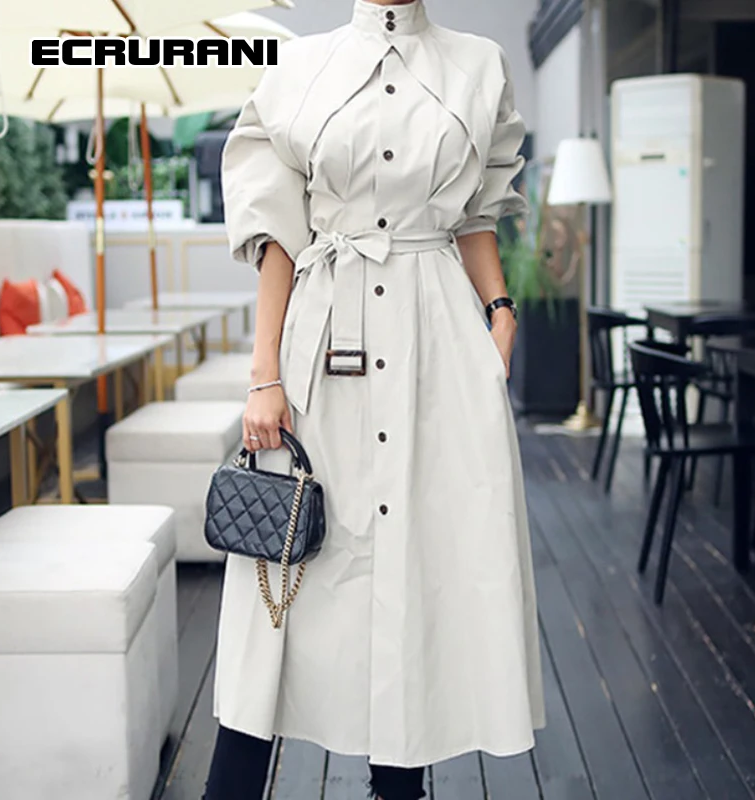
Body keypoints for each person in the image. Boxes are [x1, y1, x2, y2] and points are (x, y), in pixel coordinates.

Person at [204, 1, 545, 797]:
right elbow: (280, 234)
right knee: (284, 578)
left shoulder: (478, 66)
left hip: (438, 348)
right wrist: (264, 374)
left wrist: (500, 310)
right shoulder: (299, 70)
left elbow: (477, 215)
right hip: (324, 343)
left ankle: (400, 787)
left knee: (416, 565)